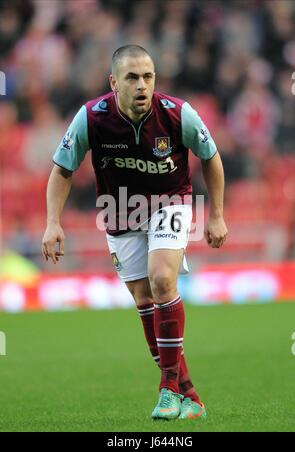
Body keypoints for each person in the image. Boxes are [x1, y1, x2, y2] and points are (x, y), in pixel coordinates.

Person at [42, 45, 228, 421]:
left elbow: (211, 157)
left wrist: (216, 216)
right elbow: (62, 170)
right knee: (145, 303)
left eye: (148, 77)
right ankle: (188, 394)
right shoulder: (91, 118)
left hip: (170, 203)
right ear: (114, 82)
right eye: (132, 77)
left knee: (162, 281)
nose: (142, 85)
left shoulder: (178, 113)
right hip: (120, 211)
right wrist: (52, 222)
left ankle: (166, 389)